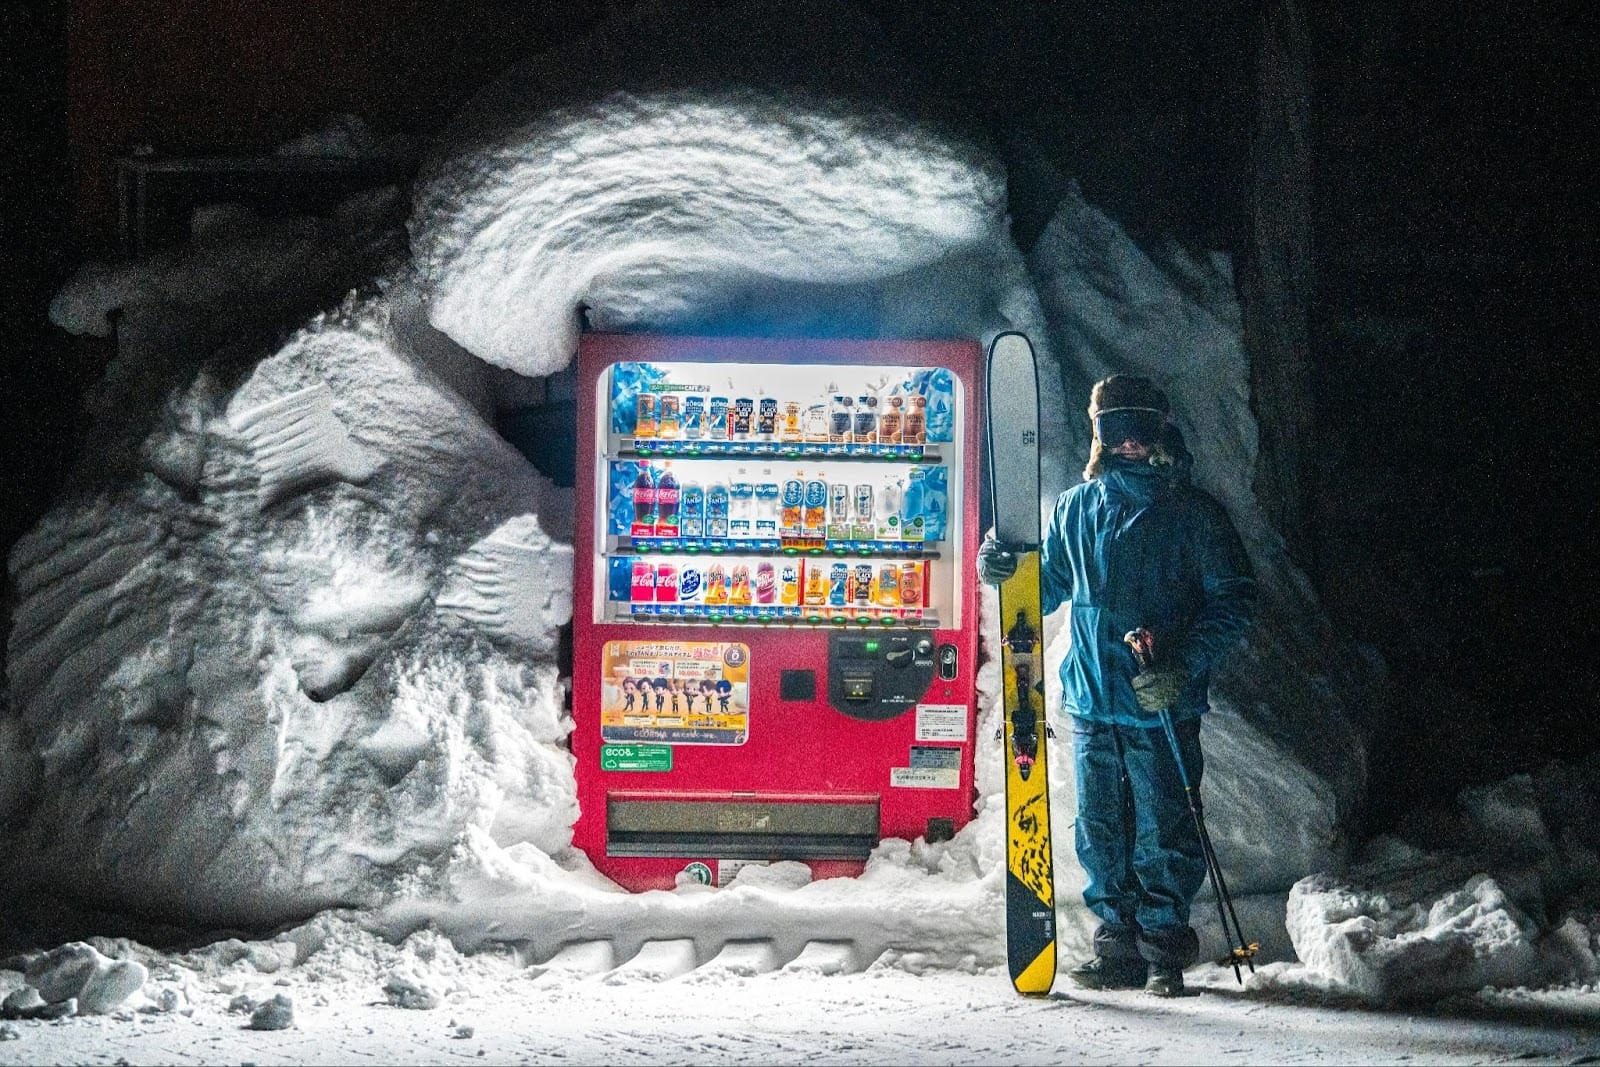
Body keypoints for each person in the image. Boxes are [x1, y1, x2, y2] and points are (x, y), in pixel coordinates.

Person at [978, 373, 1256, 998]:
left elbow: (1235, 599)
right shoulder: (1078, 508)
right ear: (1098, 434)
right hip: (1092, 695)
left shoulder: (1193, 515)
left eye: (1142, 429)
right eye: (1114, 429)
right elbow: (1047, 587)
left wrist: (1183, 665)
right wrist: (1002, 564)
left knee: (1163, 826)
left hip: (1158, 701)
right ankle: (1118, 947)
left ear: (1163, 432)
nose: (1129, 443)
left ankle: (1163, 950)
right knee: (1100, 828)